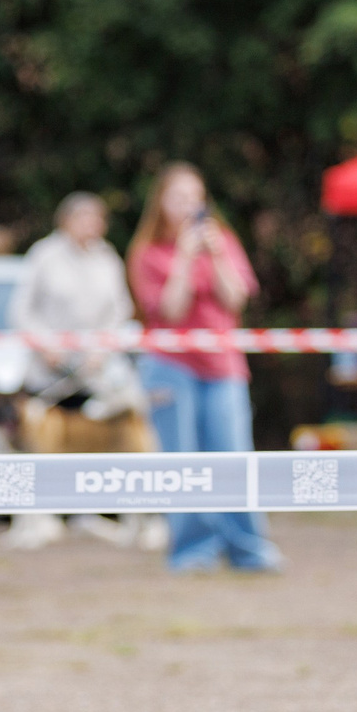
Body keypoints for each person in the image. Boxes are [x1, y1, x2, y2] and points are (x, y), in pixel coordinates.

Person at [127, 163, 281, 573]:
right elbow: (169, 310)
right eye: (179, 198)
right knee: (182, 464)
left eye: (195, 197)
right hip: (170, 366)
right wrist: (183, 257)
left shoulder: (225, 241)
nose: (188, 206)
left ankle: (248, 549)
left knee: (234, 459)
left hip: (223, 365)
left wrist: (215, 256)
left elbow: (236, 299)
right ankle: (192, 551)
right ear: (160, 202)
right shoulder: (148, 252)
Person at [8, 193, 156, 549]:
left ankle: (128, 518)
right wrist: (45, 346)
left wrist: (101, 349)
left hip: (95, 373)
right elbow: (21, 311)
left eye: (96, 218)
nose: (91, 226)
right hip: (49, 374)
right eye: (84, 218)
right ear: (66, 220)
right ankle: (33, 520)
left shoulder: (107, 258)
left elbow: (120, 312)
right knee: (34, 447)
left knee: (120, 438)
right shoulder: (44, 256)